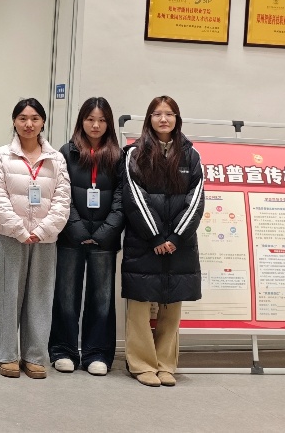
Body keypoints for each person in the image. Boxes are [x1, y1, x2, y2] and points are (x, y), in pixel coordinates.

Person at [118, 95, 205, 387]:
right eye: (157, 114)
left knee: (172, 305)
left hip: (180, 243)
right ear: (149, 119)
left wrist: (176, 237)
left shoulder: (191, 155)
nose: (163, 119)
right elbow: (134, 197)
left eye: (169, 114)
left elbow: (196, 199)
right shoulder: (135, 153)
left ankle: (166, 365)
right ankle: (142, 364)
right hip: (144, 241)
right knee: (140, 305)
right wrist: (155, 235)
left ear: (177, 119)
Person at [0, 98, 71, 379]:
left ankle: (35, 356)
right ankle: (7, 355)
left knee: (40, 298)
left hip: (45, 240)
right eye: (22, 118)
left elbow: (62, 200)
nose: (28, 124)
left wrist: (42, 231)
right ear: (14, 121)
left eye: (35, 118)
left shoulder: (56, 159)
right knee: (6, 297)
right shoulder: (1, 156)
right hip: (10, 237)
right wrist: (20, 230)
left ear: (43, 122)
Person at [49, 97, 125, 376]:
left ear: (109, 123)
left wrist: (106, 231)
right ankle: (63, 350)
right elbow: (61, 193)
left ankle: (97, 353)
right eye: (90, 119)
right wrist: (77, 228)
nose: (95, 125)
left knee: (101, 298)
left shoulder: (118, 155)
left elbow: (121, 197)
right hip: (71, 236)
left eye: (102, 120)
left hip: (105, 239)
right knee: (66, 295)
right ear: (81, 121)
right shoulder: (66, 152)